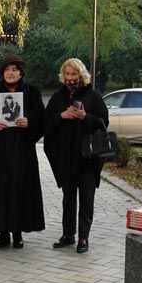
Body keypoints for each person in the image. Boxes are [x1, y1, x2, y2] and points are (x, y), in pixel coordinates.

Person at [0, 54, 45, 248]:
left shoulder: (32, 93)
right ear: (2, 72)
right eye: (7, 69)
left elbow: (42, 119)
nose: (11, 73)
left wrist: (29, 122)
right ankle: (2, 233)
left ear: (21, 72)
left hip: (23, 152)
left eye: (14, 69)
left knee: (21, 191)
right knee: (0, 190)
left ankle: (18, 232)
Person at [43, 58, 109, 254]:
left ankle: (83, 237)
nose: (70, 78)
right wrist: (61, 116)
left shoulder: (93, 96)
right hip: (66, 156)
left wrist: (85, 117)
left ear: (82, 75)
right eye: (67, 74)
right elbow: (46, 122)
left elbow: (104, 123)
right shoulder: (58, 97)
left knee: (87, 198)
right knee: (68, 197)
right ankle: (68, 234)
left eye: (74, 74)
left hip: (88, 158)